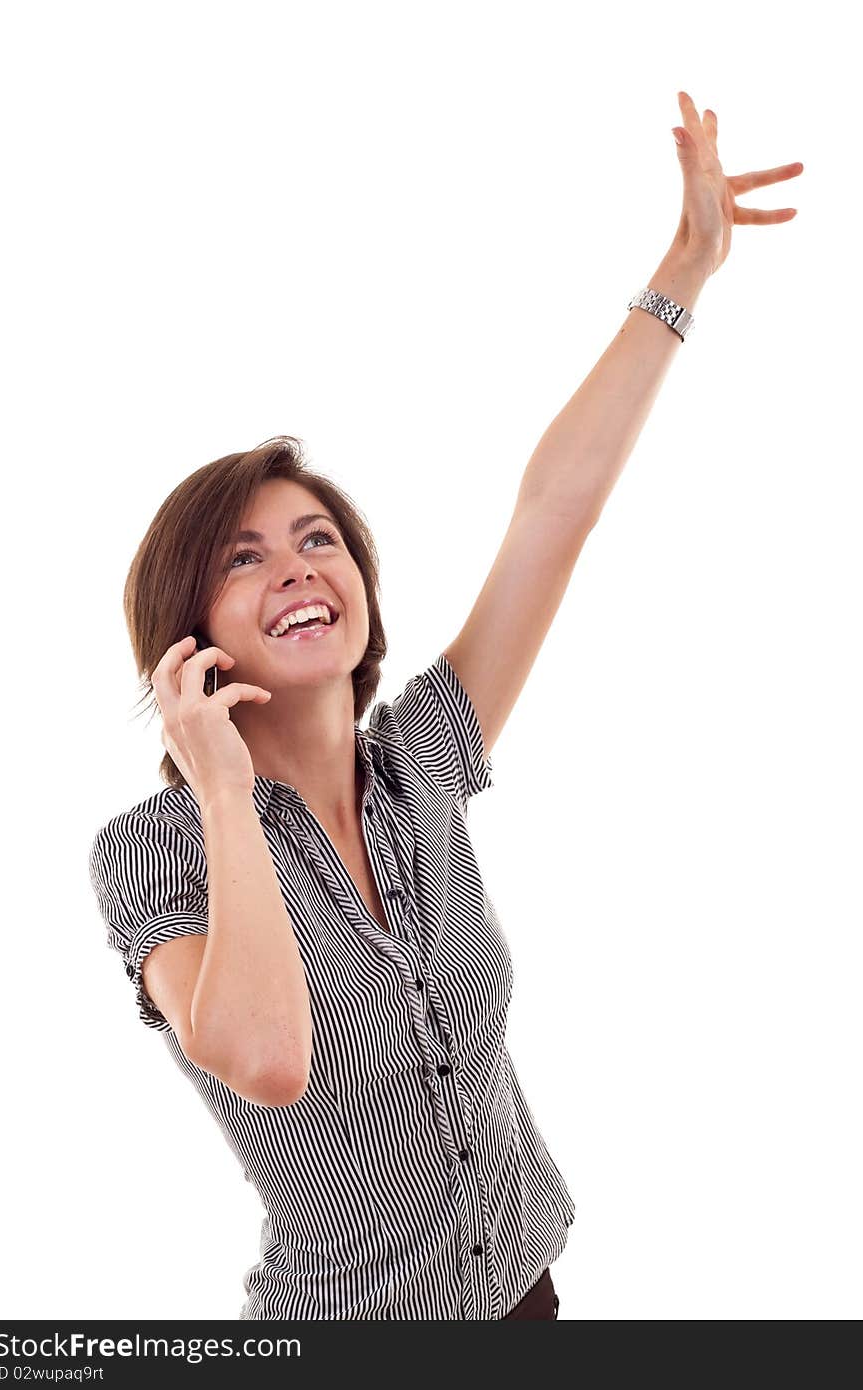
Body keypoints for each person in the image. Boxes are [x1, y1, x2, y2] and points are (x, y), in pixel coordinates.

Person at [88, 91, 802, 1320]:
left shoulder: (421, 759)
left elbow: (550, 519)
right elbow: (264, 1058)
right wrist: (217, 784)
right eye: (244, 557)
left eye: (317, 539)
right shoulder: (151, 853)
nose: (298, 566)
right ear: (188, 630)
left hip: (527, 1293)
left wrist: (683, 271)